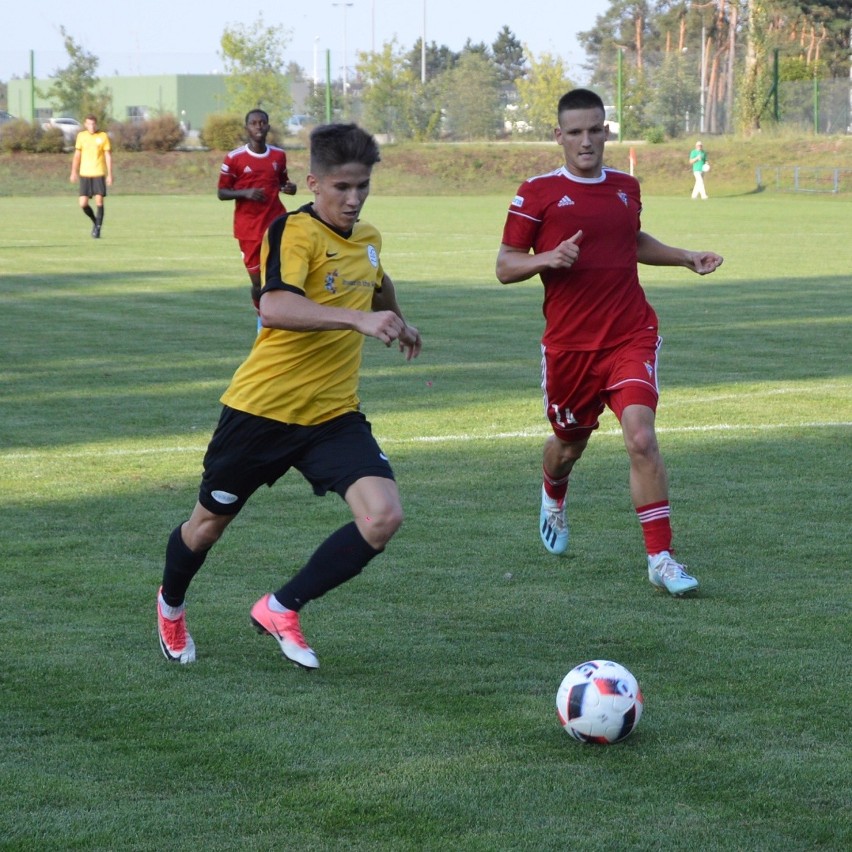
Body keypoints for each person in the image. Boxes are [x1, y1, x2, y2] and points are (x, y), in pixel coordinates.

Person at [157, 123, 422, 668]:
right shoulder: (292, 232)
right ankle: (171, 605)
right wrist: (358, 321)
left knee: (383, 517)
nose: (353, 199)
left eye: (363, 187)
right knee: (205, 527)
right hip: (260, 412)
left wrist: (399, 320)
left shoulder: (368, 238)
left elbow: (375, 277)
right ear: (313, 183)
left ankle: (280, 608)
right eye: (342, 188)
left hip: (331, 415)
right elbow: (274, 308)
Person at [496, 88, 723, 596]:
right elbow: (505, 264)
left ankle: (661, 558)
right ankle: (553, 492)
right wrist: (545, 259)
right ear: (558, 135)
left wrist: (685, 256)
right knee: (568, 446)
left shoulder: (626, 186)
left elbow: (631, 241)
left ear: (606, 131)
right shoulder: (536, 193)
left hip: (630, 333)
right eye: (574, 132)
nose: (585, 141)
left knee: (641, 436)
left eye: (594, 130)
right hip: (571, 348)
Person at [217, 109, 298, 311]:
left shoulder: (279, 156)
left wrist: (290, 188)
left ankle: (282, 318)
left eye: (262, 122)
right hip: (249, 229)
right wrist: (246, 193)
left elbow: (281, 183)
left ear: (268, 126)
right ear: (247, 128)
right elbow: (222, 192)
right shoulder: (234, 158)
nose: (259, 126)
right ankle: (261, 316)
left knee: (282, 277)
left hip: (276, 224)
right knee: (257, 283)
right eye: (254, 123)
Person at [69, 114, 112, 238]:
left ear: (96, 124)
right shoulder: (81, 136)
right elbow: (77, 156)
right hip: (85, 173)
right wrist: (73, 171)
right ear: (85, 124)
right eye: (89, 124)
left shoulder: (103, 136)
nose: (92, 126)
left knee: (99, 200)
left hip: (98, 172)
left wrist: (109, 174)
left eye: (93, 124)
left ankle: (98, 229)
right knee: (83, 203)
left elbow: (108, 156)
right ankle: (95, 221)